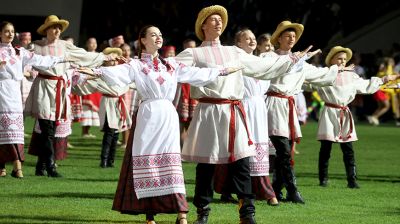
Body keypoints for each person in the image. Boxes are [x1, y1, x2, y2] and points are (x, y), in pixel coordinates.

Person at [79, 25, 241, 224]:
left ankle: (181, 212)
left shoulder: (172, 65)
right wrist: (96, 72)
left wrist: (222, 71)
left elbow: (196, 73)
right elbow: (118, 73)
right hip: (148, 115)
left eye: (160, 35)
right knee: (149, 162)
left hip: (168, 116)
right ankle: (150, 214)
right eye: (153, 35)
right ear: (143, 41)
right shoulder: (136, 65)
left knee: (171, 163)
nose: (158, 37)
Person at [175, 6, 313, 224]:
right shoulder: (194, 53)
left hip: (233, 110)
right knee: (207, 165)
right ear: (203, 25)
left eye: (221, 20)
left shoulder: (233, 52)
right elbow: (172, 69)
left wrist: (290, 59)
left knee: (242, 162)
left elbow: (262, 66)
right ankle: (202, 211)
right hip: (209, 110)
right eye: (213, 20)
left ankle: (247, 213)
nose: (219, 23)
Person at [25, 15, 115, 177]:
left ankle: (40, 166)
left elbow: (84, 55)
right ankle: (51, 166)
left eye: (59, 27)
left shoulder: (65, 46)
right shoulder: (36, 46)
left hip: (59, 89)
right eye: (54, 27)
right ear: (46, 30)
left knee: (52, 127)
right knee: (47, 128)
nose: (57, 30)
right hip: (44, 87)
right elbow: (21, 58)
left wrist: (103, 57)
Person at [264, 20, 342, 204]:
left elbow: (318, 74)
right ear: (279, 38)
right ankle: (292, 190)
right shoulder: (269, 57)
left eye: (293, 36)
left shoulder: (300, 62)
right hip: (274, 104)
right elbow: (270, 69)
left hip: (288, 106)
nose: (291, 39)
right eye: (287, 36)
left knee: (287, 150)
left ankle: (276, 190)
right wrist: (296, 59)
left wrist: (337, 69)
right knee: (282, 150)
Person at [305, 46, 399, 188]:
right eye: (339, 59)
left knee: (348, 149)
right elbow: (306, 82)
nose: (342, 61)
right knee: (326, 148)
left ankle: (352, 180)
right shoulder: (324, 74)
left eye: (344, 59)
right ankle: (323, 178)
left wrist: (385, 79)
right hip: (330, 112)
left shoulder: (351, 76)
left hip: (344, 112)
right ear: (332, 60)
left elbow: (366, 85)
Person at [214, 28, 279, 206]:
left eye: (253, 38)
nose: (251, 41)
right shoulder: (236, 60)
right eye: (247, 38)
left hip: (259, 108)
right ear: (239, 43)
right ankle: (257, 191)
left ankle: (257, 189)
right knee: (240, 148)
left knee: (258, 148)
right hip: (243, 106)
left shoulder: (259, 62)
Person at [0, 21, 66, 178]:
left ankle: (16, 166)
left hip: (14, 93)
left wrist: (59, 59)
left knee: (13, 130)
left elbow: (39, 60)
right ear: (0, 33)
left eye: (12, 31)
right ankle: (5, 167)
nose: (9, 34)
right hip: (1, 90)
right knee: (3, 130)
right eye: (6, 31)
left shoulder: (19, 52)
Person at [74, 47, 131, 168]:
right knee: (109, 132)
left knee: (116, 133)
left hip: (118, 103)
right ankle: (104, 160)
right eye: (112, 59)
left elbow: (130, 80)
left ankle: (111, 160)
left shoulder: (121, 72)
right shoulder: (101, 72)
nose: (114, 62)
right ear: (106, 60)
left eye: (116, 60)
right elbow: (89, 81)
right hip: (108, 103)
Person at [81, 37, 101, 138]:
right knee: (87, 108)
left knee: (94, 107)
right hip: (86, 81)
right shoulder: (84, 55)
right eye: (90, 42)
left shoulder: (99, 55)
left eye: (94, 43)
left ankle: (88, 131)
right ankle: (84, 131)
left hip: (96, 82)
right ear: (87, 44)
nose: (93, 45)